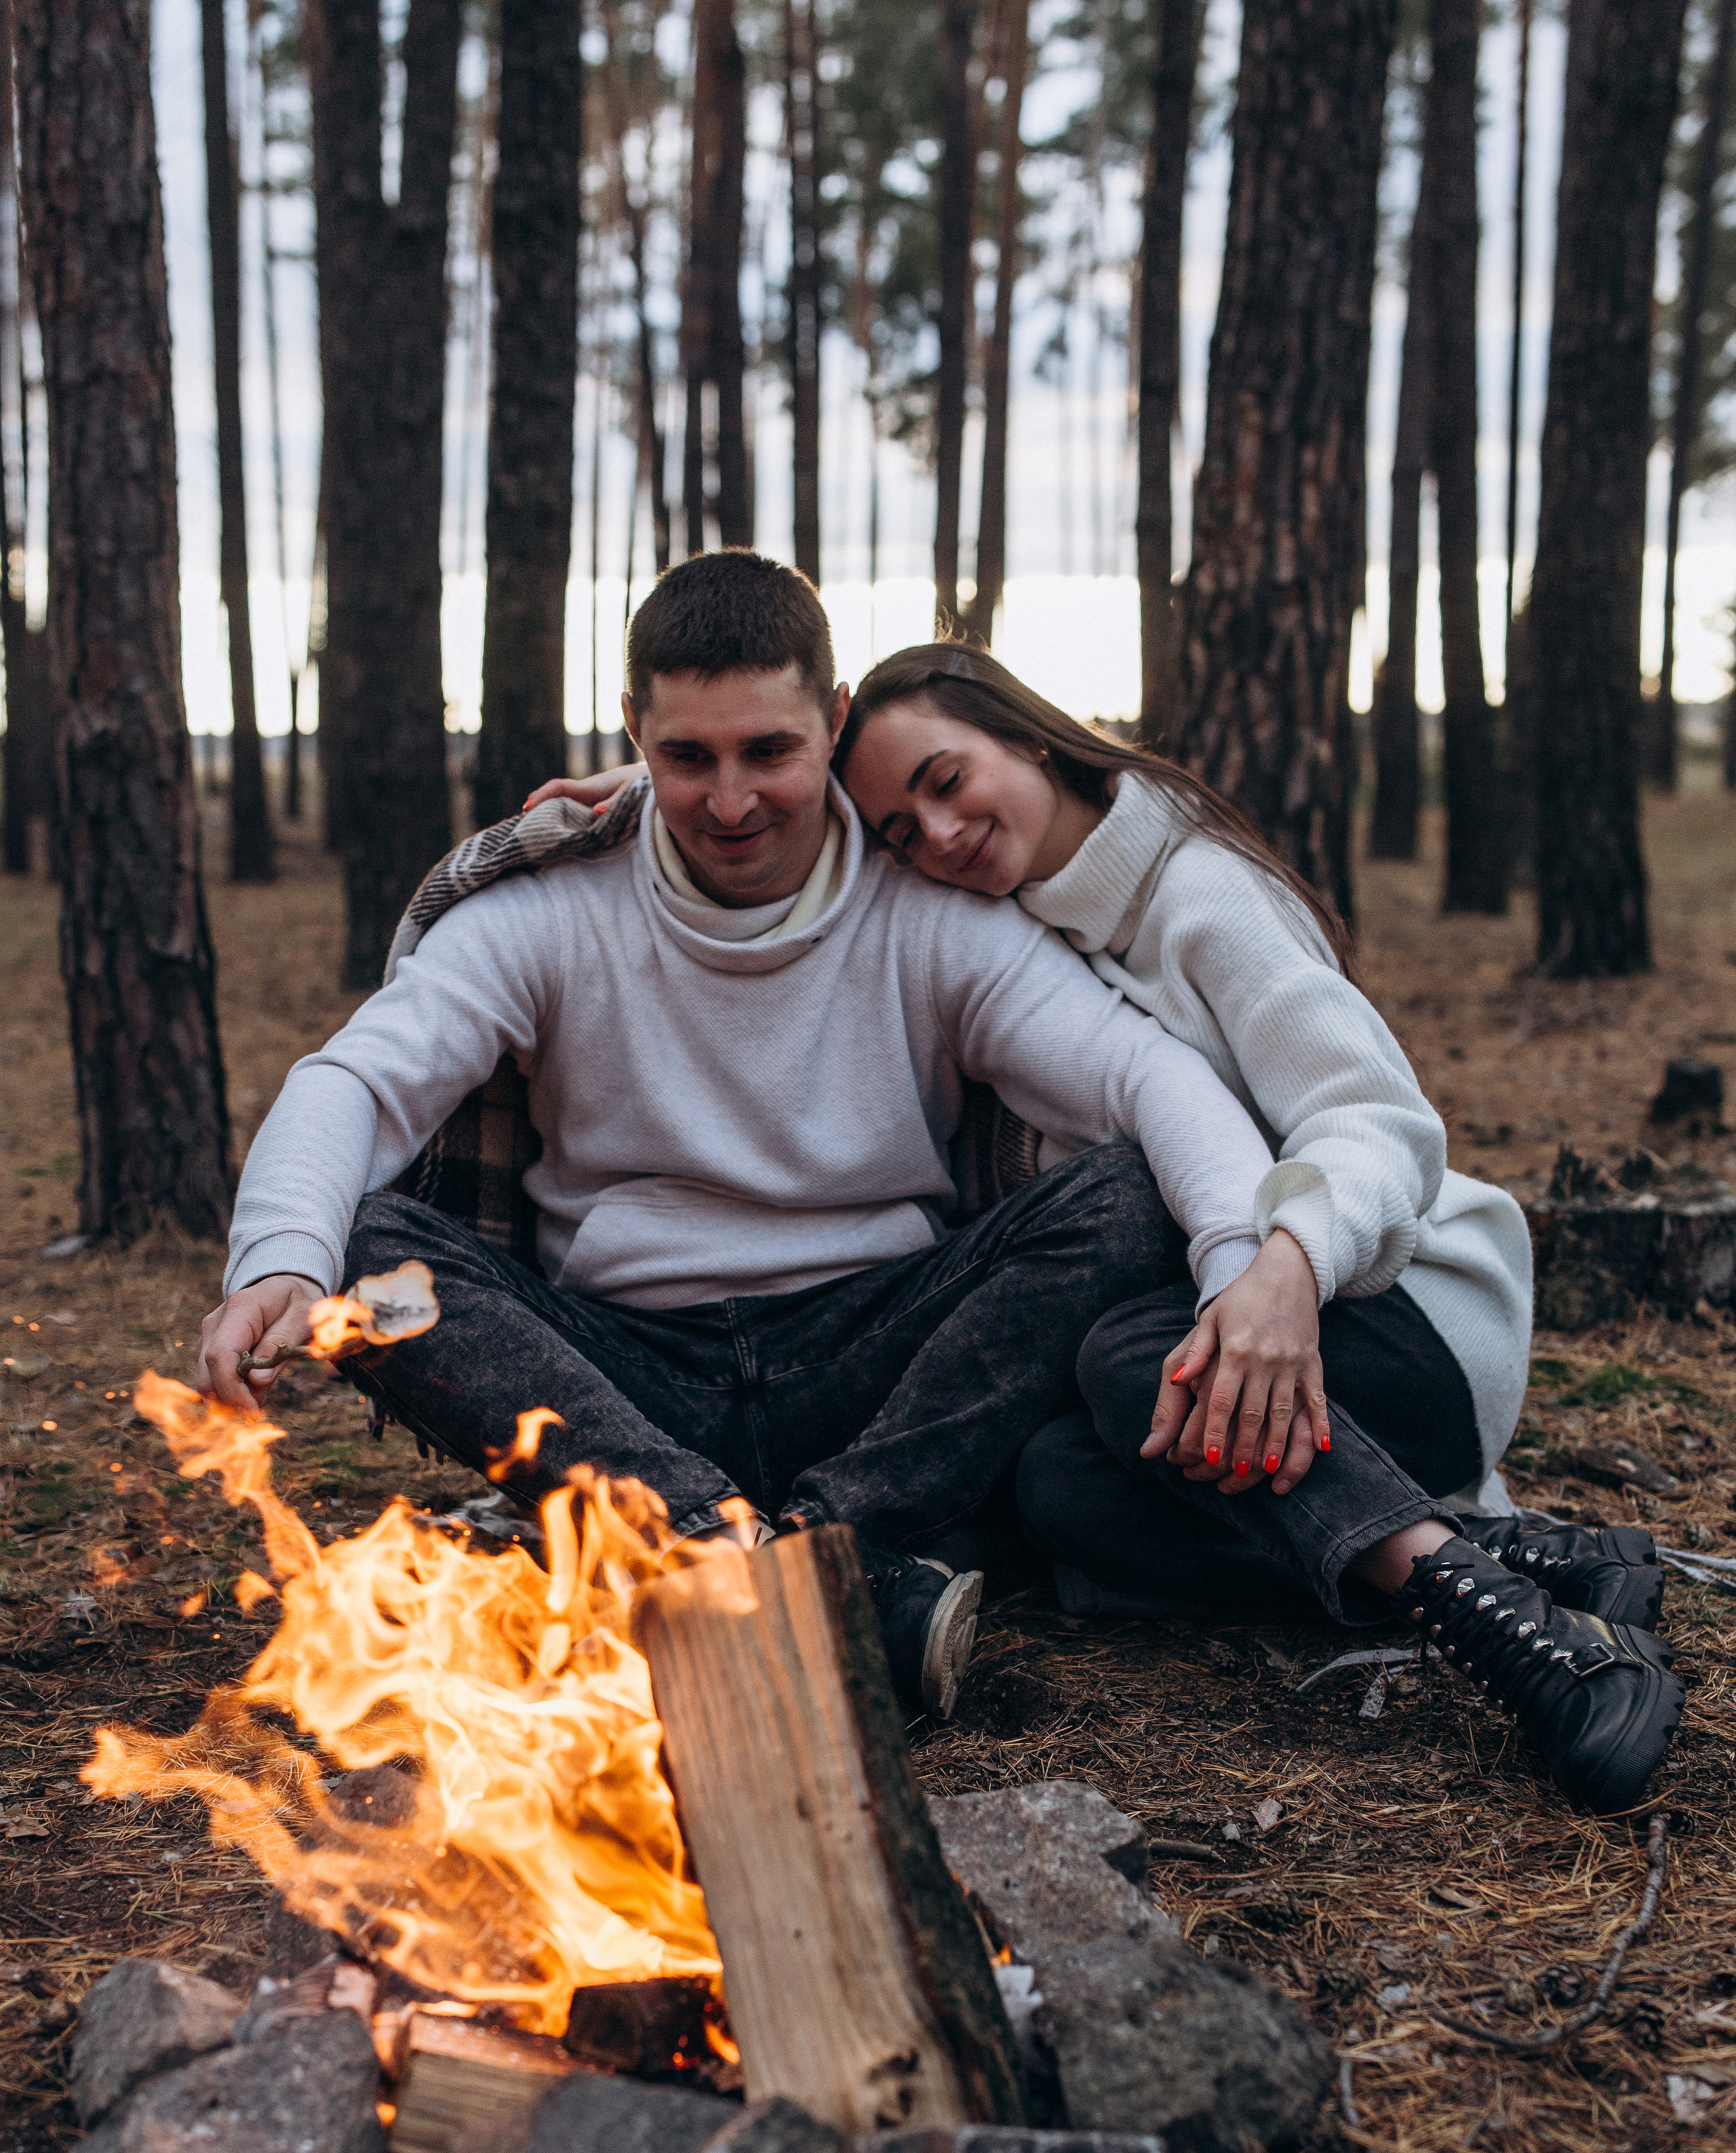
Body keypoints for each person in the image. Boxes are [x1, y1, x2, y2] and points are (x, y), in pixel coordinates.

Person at [537, 635, 1682, 1813]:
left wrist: (1285, 1269)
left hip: (1397, 1313)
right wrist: (640, 804)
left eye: (945, 780)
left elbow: (1379, 1124)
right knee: (1051, 1493)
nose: (931, 835)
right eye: (896, 827)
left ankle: (1519, 1633)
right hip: (1225, 1345)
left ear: (1029, 733)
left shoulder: (1199, 895)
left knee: (1134, 1357)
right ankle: (1533, 1556)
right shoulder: (1017, 904)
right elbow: (790, 809)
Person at [197, 553, 1323, 1723]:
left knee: (1132, 1195)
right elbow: (357, 1082)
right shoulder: (545, 909)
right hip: (621, 1373)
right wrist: (278, 1260)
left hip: (882, 1362)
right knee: (373, 1243)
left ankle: (806, 1544)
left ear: (833, 725)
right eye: (687, 757)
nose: (730, 802)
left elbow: (1144, 1074)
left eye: (768, 753)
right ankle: (746, 1560)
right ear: (635, 731)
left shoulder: (934, 916)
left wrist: (1248, 1271)